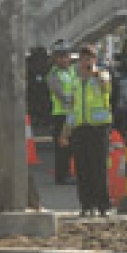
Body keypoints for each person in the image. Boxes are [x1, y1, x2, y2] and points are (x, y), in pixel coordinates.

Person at [60, 45, 112, 217]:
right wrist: (65, 132)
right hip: (79, 129)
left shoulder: (102, 75)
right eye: (83, 59)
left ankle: (103, 206)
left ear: (94, 59)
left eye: (89, 58)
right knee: (82, 170)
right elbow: (72, 109)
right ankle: (86, 205)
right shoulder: (75, 81)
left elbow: (105, 86)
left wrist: (94, 73)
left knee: (99, 169)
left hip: (98, 128)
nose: (85, 62)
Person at [46, 40, 77, 185]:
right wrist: (74, 99)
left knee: (71, 146)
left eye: (66, 56)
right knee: (62, 147)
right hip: (61, 115)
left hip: (72, 115)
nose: (63, 59)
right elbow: (59, 93)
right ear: (54, 58)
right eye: (60, 56)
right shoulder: (53, 74)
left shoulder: (72, 71)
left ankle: (68, 173)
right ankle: (61, 176)